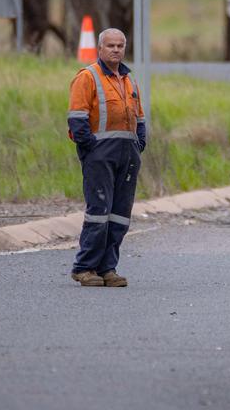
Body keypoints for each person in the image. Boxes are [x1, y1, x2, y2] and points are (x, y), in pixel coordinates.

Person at [67, 28, 146, 288]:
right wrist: (91, 148)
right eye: (110, 45)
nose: (116, 50)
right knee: (99, 213)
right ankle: (85, 268)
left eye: (120, 45)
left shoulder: (129, 80)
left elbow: (140, 118)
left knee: (119, 215)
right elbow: (77, 119)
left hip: (127, 155)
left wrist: (139, 143)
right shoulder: (87, 77)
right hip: (99, 155)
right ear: (100, 48)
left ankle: (107, 268)